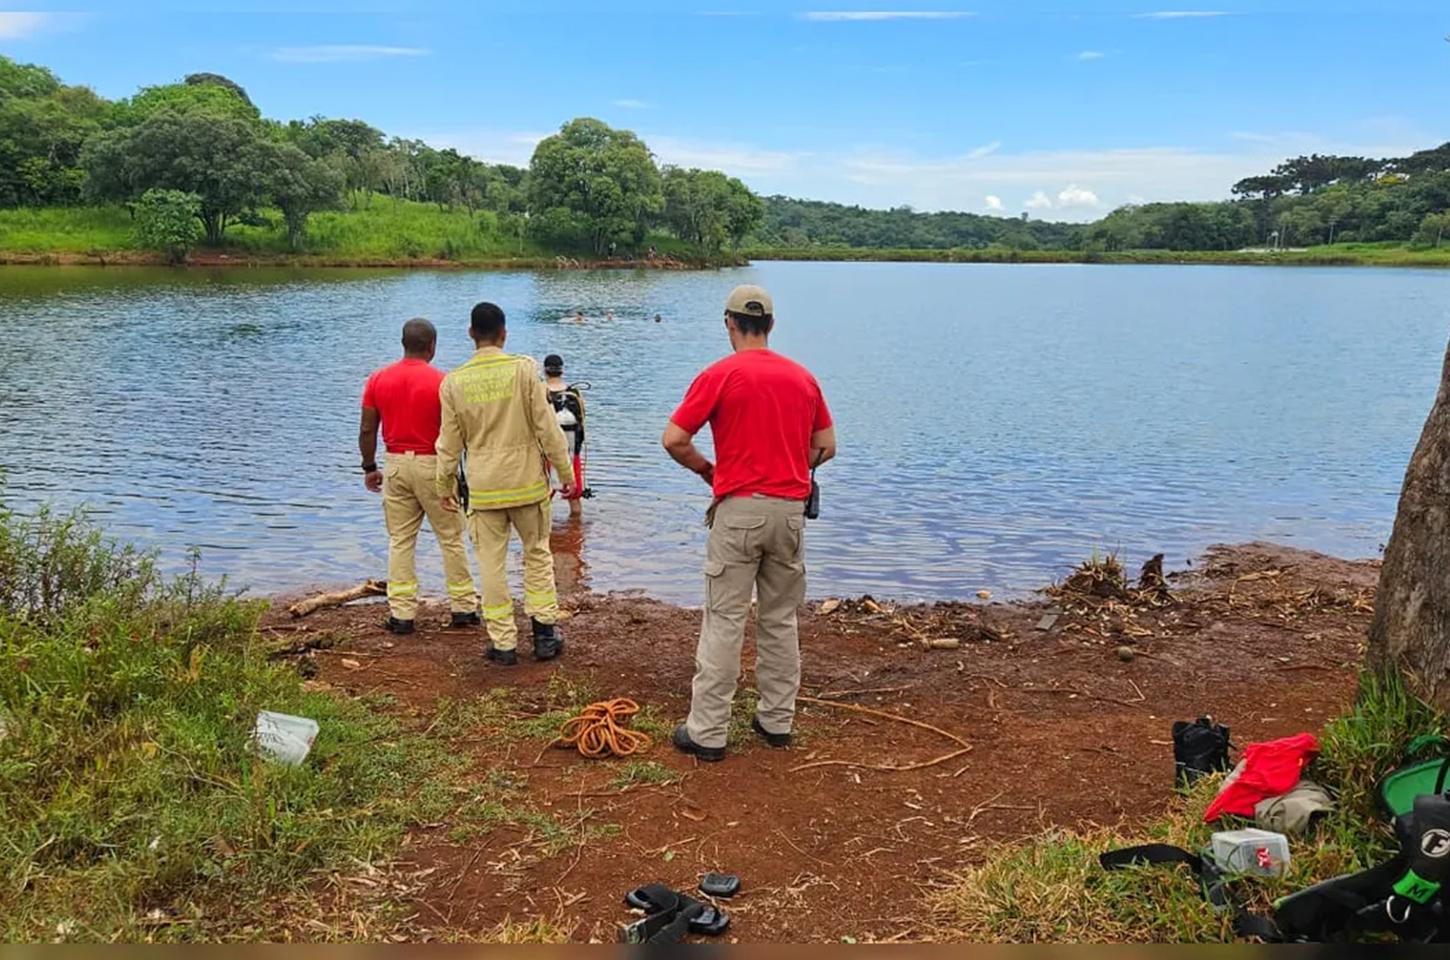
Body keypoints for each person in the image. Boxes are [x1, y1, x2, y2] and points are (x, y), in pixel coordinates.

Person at [662, 285, 836, 762]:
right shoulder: (803, 378)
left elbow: (674, 439)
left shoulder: (719, 374)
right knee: (780, 618)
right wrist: (793, 464)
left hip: (738, 509)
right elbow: (826, 445)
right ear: (772, 326)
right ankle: (777, 721)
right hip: (790, 512)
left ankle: (708, 732)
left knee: (724, 619)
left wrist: (708, 471)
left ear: (729, 324)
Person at [436, 302, 576, 666]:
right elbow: (548, 428)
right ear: (504, 333)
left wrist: (444, 486)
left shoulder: (453, 382)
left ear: (471, 334)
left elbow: (448, 443)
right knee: (537, 555)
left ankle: (503, 644)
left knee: (491, 565)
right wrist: (567, 475)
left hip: (483, 490)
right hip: (527, 484)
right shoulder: (525, 370)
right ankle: (545, 635)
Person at [359, 318, 479, 635]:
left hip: (396, 462)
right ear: (432, 346)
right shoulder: (444, 382)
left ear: (403, 343)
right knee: (451, 538)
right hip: (434, 464)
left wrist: (369, 467)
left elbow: (367, 428)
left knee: (400, 540)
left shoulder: (377, 379)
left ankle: (401, 614)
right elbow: (459, 432)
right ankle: (463, 608)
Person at [544, 354, 587, 518]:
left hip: (546, 454)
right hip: (570, 452)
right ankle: (575, 532)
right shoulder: (574, 393)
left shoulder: (541, 392)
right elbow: (582, 422)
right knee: (574, 497)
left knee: (544, 496)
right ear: (562, 371)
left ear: (545, 371)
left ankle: (543, 534)